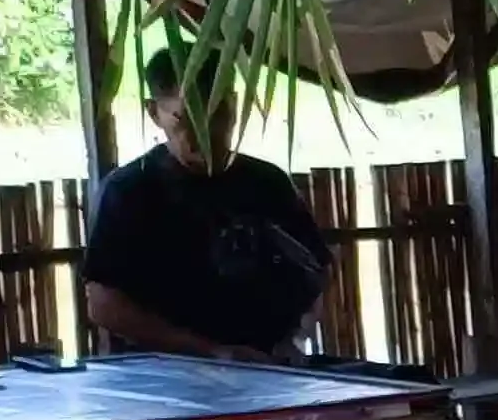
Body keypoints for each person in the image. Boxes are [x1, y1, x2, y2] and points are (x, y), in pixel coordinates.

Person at [82, 44, 333, 362]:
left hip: (268, 370)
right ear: (154, 113)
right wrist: (211, 352)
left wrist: (295, 338)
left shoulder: (269, 184)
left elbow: (316, 273)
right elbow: (104, 303)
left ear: (236, 104)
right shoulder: (129, 191)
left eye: (219, 114)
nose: (207, 132)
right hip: (164, 381)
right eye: (187, 120)